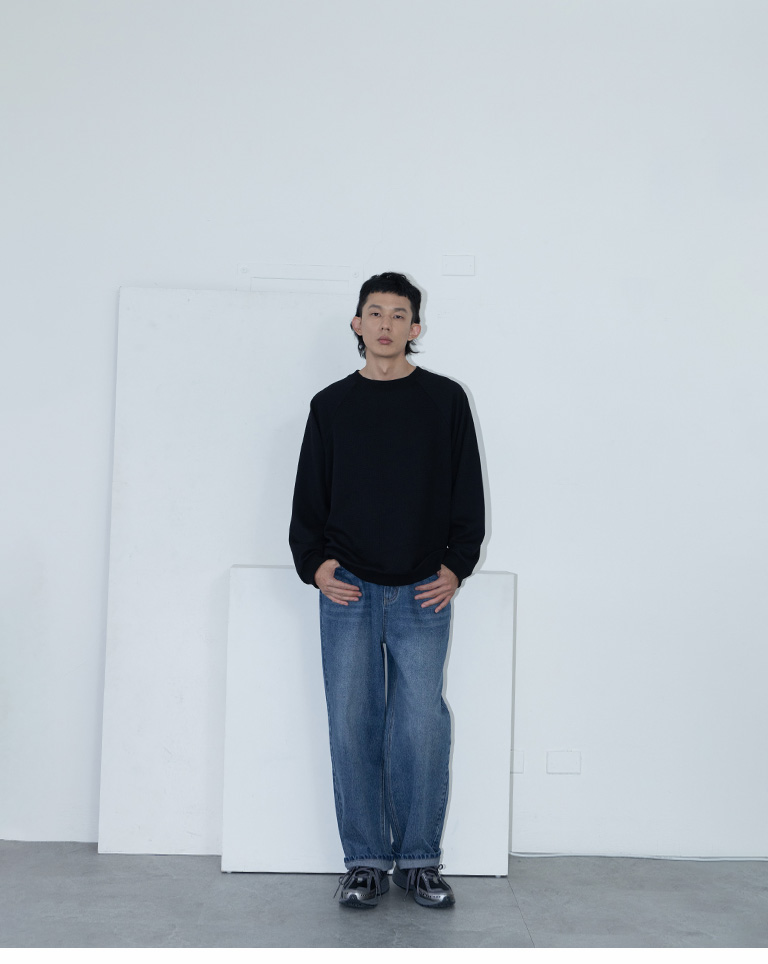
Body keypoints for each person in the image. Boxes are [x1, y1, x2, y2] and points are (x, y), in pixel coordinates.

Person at [289, 271, 485, 909]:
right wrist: (314, 564)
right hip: (347, 588)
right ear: (356, 323)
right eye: (374, 313)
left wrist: (457, 564)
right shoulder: (331, 406)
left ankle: (420, 861)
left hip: (424, 589)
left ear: (415, 328)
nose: (385, 324)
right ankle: (366, 862)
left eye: (399, 315)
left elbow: (466, 489)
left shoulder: (445, 400)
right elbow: (309, 495)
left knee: (421, 726)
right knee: (352, 723)